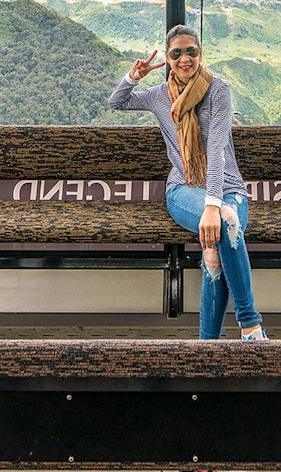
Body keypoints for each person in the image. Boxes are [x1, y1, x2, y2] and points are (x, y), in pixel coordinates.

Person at [109, 25, 267, 341]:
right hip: (183, 189)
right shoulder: (158, 96)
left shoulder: (218, 91)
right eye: (176, 53)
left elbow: (218, 150)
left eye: (191, 51)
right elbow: (117, 102)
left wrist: (213, 204)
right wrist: (133, 77)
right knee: (226, 224)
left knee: (222, 230)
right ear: (168, 58)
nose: (185, 59)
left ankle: (211, 344)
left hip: (228, 187)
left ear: (200, 53)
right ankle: (250, 327)